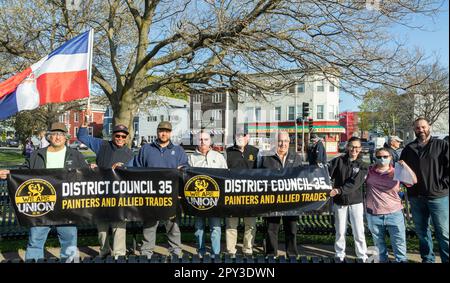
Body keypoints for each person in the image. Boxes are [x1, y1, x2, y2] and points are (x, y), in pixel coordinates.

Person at [0, 122, 89, 261]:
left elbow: (86, 175)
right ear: (49, 137)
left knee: (69, 240)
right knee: (35, 240)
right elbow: (24, 172)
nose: (57, 137)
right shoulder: (37, 154)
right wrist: (9, 173)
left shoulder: (76, 155)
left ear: (66, 137)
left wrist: (92, 170)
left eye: (61, 134)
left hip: (67, 206)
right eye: (54, 134)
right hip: (41, 205)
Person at [123, 121, 189, 258]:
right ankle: (147, 252)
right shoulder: (146, 149)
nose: (163, 133)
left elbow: (186, 170)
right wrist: (121, 167)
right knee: (149, 224)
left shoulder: (178, 151)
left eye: (166, 131)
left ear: (170, 133)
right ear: (157, 132)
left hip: (172, 195)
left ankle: (175, 251)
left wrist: (182, 171)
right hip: (151, 194)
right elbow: (135, 165)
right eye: (161, 130)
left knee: (173, 225)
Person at [77, 110, 134, 259]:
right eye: (117, 135)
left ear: (127, 138)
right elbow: (82, 136)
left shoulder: (130, 154)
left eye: (123, 136)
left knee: (119, 226)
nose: (120, 138)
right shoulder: (102, 145)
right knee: (102, 227)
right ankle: (104, 252)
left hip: (120, 195)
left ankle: (119, 254)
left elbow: (135, 174)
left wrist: (125, 167)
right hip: (101, 193)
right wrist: (84, 123)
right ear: (113, 135)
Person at [400, 117, 449, 263]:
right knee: (422, 233)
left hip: (438, 196)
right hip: (416, 197)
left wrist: (443, 183)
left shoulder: (442, 145)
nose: (420, 130)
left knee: (444, 233)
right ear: (414, 129)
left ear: (429, 127)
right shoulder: (409, 148)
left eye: (423, 127)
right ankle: (428, 259)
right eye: (417, 128)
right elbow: (402, 170)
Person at [258, 131, 303, 257]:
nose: (283, 144)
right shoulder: (266, 157)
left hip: (291, 200)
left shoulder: (296, 157)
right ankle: (271, 253)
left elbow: (302, 177)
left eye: (286, 141)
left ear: (289, 142)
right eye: (280, 141)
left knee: (292, 229)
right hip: (272, 200)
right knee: (271, 229)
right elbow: (258, 177)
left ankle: (292, 254)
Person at [365, 148, 412, 263]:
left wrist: (405, 166)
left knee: (399, 242)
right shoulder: (369, 171)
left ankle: (401, 261)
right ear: (375, 157)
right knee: (378, 244)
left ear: (391, 157)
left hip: (394, 213)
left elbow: (412, 181)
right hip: (374, 214)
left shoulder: (397, 171)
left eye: (385, 156)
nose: (382, 159)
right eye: (379, 156)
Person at [328, 136, 368, 262]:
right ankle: (339, 254)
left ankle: (362, 255)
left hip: (356, 202)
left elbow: (355, 183)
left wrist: (339, 190)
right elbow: (326, 173)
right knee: (339, 231)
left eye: (357, 147)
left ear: (360, 149)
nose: (354, 149)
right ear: (347, 147)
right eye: (352, 146)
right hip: (340, 202)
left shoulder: (363, 165)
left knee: (359, 231)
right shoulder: (338, 161)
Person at [188, 131, 227, 257]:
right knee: (199, 228)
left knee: (215, 227)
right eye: (200, 139)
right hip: (198, 200)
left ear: (210, 141)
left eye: (205, 139)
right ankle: (201, 251)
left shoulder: (219, 156)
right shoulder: (191, 158)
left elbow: (226, 176)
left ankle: (215, 253)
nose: (203, 142)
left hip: (214, 199)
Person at [225, 129, 259, 256]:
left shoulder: (255, 152)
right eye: (238, 135)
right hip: (232, 196)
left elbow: (261, 172)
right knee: (231, 225)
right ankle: (231, 251)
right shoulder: (228, 152)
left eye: (243, 135)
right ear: (234, 136)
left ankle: (247, 249)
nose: (241, 137)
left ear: (248, 137)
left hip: (250, 196)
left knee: (250, 225)